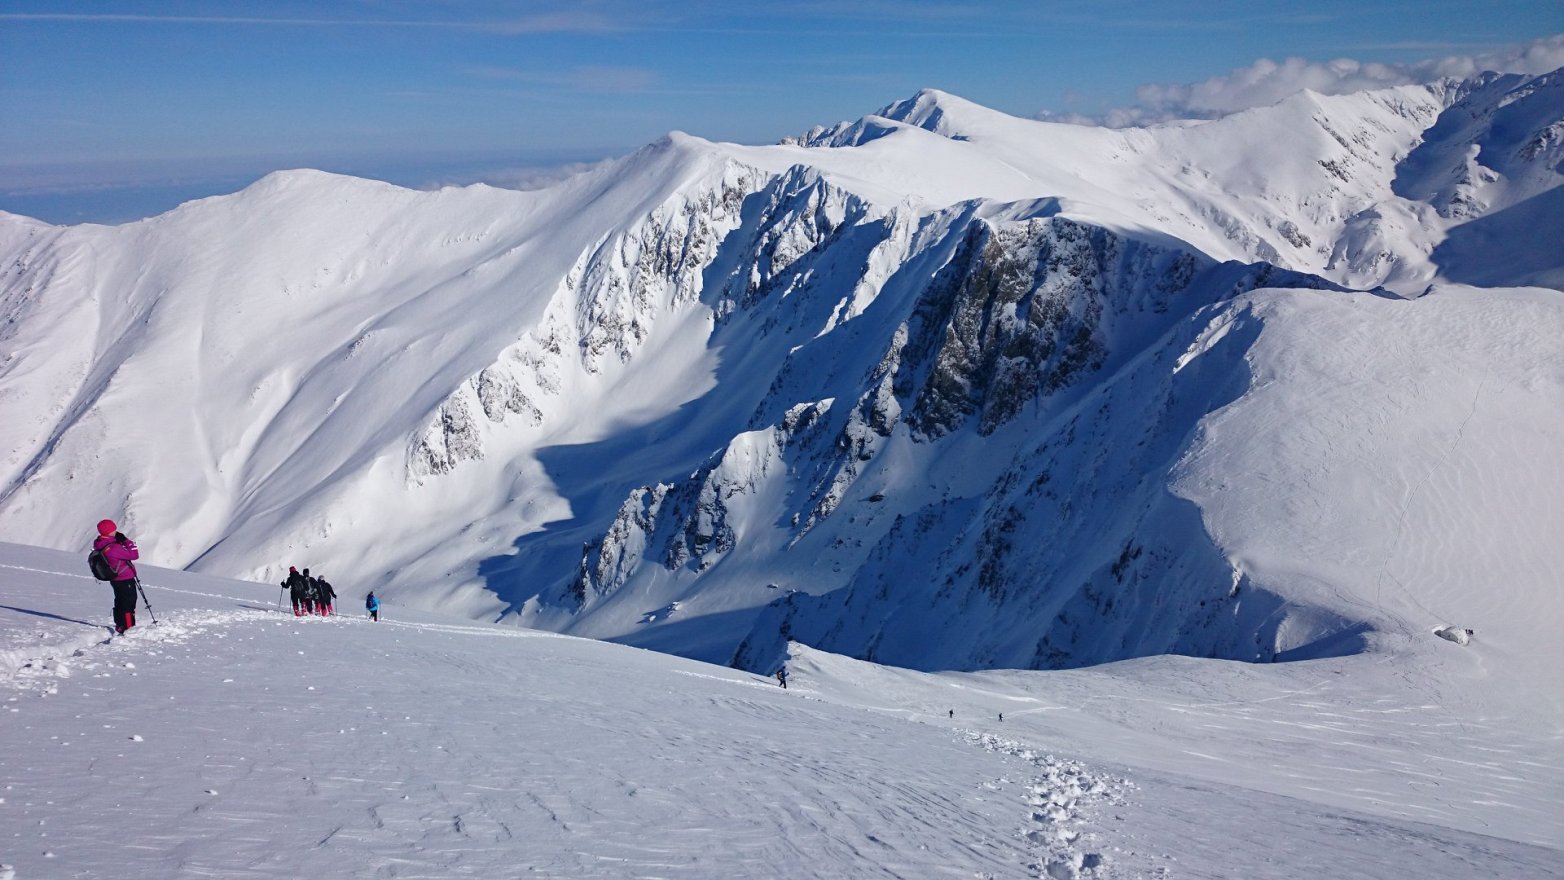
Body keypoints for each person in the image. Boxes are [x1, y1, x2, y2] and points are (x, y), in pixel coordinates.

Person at [93, 519, 140, 634]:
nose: (116, 531)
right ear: (109, 532)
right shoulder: (114, 548)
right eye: (113, 529)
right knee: (129, 603)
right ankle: (129, 627)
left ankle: (119, 624)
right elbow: (134, 555)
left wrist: (117, 541)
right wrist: (127, 541)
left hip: (114, 578)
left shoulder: (99, 543)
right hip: (124, 578)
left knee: (119, 600)